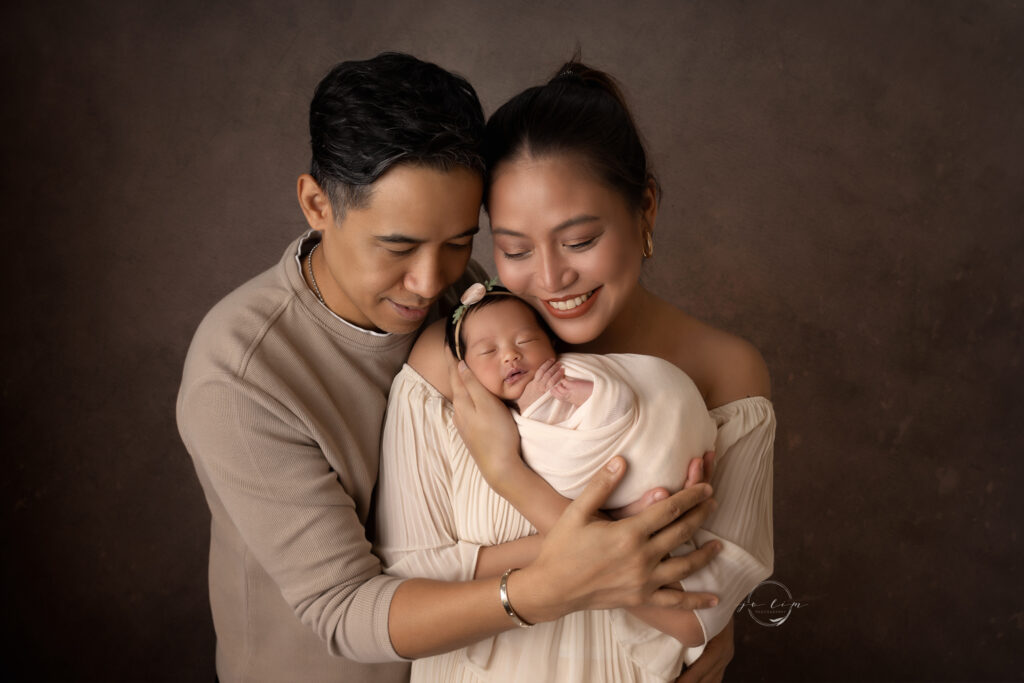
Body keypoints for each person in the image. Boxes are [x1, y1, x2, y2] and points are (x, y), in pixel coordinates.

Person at [176, 52, 724, 683]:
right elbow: (343, 608)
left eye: (460, 241)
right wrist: (564, 575)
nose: (431, 280)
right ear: (316, 204)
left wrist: (679, 591)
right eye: (399, 246)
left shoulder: (469, 303)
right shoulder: (242, 374)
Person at [376, 59, 775, 682]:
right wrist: (621, 544)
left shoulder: (725, 372)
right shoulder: (451, 364)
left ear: (645, 210)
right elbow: (408, 584)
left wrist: (513, 477)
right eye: (513, 249)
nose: (551, 278)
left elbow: (704, 614)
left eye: (580, 241)